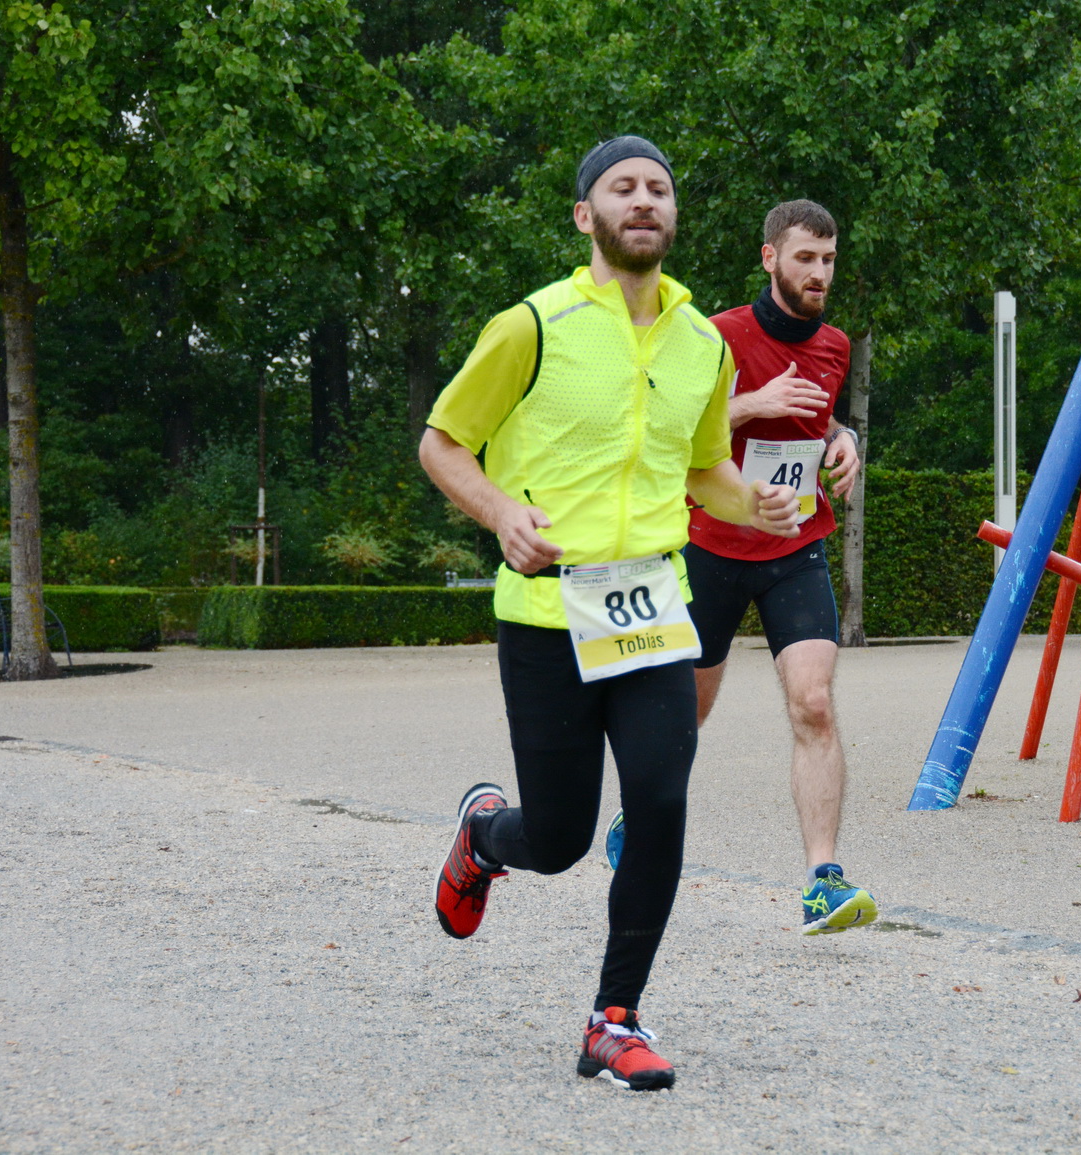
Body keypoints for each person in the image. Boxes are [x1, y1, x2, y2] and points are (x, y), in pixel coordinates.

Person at [418, 135, 800, 1092]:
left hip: (650, 609)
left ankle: (614, 1017)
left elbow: (703, 468)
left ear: (674, 216)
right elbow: (442, 441)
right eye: (622, 188)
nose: (644, 201)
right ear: (585, 216)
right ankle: (483, 836)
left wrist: (754, 502)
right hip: (547, 613)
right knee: (558, 839)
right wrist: (502, 511)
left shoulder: (702, 343)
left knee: (662, 801)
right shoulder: (531, 327)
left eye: (659, 189)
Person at [607, 199, 874, 935]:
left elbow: (814, 425)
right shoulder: (715, 333)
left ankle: (824, 879)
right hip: (714, 547)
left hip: (795, 546)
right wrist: (754, 399)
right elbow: (667, 429)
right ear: (769, 258)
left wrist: (841, 442)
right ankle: (639, 810)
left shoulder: (835, 344)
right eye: (805, 259)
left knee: (813, 702)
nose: (820, 273)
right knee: (684, 713)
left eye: (827, 259)